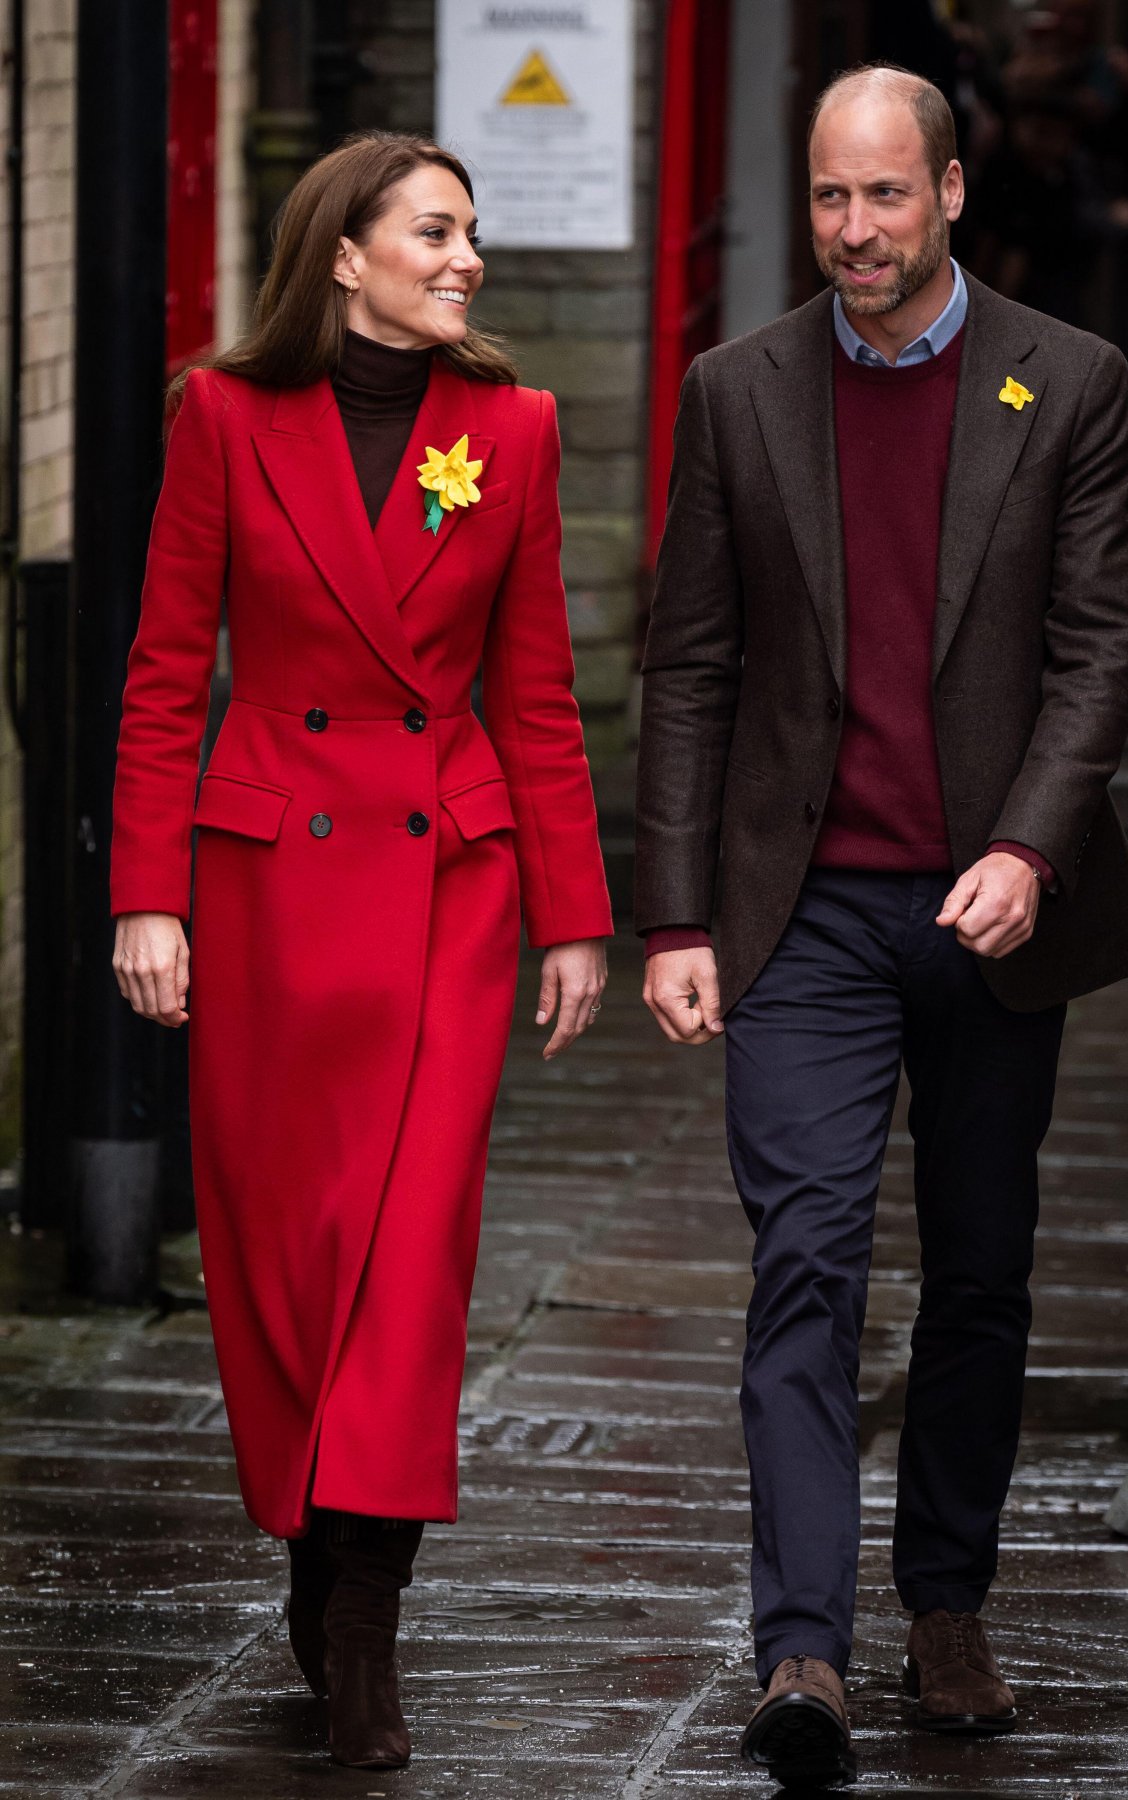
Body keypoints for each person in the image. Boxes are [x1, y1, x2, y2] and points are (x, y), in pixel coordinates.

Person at [636, 64, 1128, 1791]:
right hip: (807, 918)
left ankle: (944, 1601)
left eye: (881, 197)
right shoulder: (738, 391)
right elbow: (690, 668)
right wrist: (678, 912)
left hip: (991, 910)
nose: (851, 232)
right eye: (827, 199)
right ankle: (802, 1650)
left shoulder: (1071, 380)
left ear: (945, 194)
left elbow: (1099, 647)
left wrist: (1029, 844)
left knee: (982, 1271)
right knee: (806, 1261)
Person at [110, 131, 612, 1770]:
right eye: (437, 231)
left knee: (410, 1258)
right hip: (264, 884)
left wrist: (576, 916)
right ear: (346, 254)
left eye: (471, 233)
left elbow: (535, 691)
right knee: (284, 1255)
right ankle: (315, 1550)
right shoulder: (224, 418)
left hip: (444, 884)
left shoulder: (514, 430)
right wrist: (146, 895)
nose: (467, 257)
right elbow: (167, 670)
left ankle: (368, 1615)